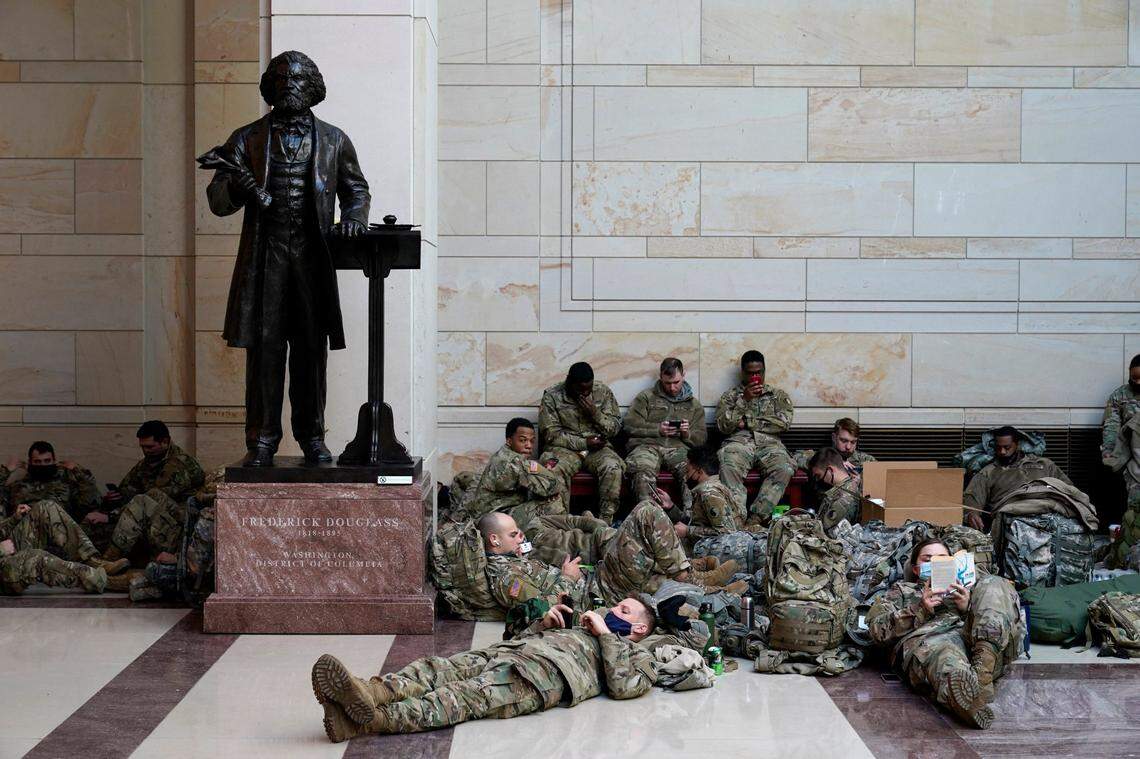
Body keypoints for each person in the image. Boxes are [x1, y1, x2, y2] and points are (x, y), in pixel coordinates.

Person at [204, 50, 370, 467]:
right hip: (266, 261)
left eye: (298, 79)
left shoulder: (334, 139)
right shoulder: (245, 139)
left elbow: (356, 190)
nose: (289, 86)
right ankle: (261, 440)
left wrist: (353, 217)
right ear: (269, 87)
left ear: (313, 86)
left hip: (313, 263)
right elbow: (218, 201)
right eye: (281, 79)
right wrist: (241, 186)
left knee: (311, 354)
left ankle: (313, 437)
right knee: (265, 353)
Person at [310, 596, 666, 742]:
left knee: (457, 698)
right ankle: (369, 692)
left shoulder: (639, 656)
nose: (611, 613)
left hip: (536, 679)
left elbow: (622, 686)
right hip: (505, 653)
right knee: (436, 668)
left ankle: (370, 720)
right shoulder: (582, 626)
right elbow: (523, 637)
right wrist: (544, 623)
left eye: (623, 612)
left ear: (640, 629)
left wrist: (605, 634)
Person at [867, 538, 1023, 729]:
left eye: (942, 558)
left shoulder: (972, 586)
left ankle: (980, 678)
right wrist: (920, 609)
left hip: (983, 649)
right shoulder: (902, 591)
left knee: (995, 582)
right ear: (915, 569)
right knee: (946, 657)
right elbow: (876, 631)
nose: (935, 563)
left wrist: (968, 607)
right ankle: (968, 699)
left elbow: (996, 612)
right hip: (934, 645)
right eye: (928, 559)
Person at [480, 507, 741, 615]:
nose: (520, 537)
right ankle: (690, 576)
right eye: (513, 534)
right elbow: (542, 608)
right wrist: (568, 577)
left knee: (645, 559)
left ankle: (710, 589)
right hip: (597, 593)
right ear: (494, 540)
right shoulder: (506, 578)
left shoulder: (513, 561)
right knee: (646, 514)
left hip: (597, 579)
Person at [100, 421, 205, 567]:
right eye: (142, 447)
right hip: (155, 523)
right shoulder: (149, 462)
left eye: (149, 447)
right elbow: (128, 489)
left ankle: (106, 563)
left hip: (179, 529)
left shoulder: (178, 464)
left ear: (165, 442)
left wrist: (109, 517)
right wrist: (113, 499)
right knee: (95, 520)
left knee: (147, 498)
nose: (145, 451)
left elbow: (151, 500)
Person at [715, 350, 795, 525]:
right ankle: (736, 520)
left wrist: (748, 421)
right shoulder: (731, 396)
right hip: (739, 443)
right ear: (743, 373)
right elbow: (723, 425)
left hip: (769, 445)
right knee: (728, 465)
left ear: (764, 371)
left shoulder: (777, 396)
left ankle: (756, 519)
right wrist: (744, 399)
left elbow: (783, 423)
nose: (755, 377)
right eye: (751, 373)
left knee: (785, 467)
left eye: (759, 372)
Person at [538, 362, 625, 523]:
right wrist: (584, 443)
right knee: (554, 469)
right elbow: (551, 434)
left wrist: (595, 414)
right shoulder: (552, 396)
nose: (585, 394)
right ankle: (561, 525)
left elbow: (614, 428)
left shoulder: (603, 392)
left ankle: (605, 522)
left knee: (612, 467)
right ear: (569, 382)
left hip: (598, 448)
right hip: (564, 449)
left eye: (588, 389)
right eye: (580, 390)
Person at [623, 358, 707, 512]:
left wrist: (686, 434)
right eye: (667, 383)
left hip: (678, 449)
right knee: (641, 471)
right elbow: (629, 425)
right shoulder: (646, 397)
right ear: (661, 376)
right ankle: (649, 519)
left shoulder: (694, 405)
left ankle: (691, 520)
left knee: (692, 472)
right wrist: (657, 429)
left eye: (676, 382)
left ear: (683, 375)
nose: (672, 388)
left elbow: (701, 439)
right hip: (647, 447)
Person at [0, 501, 128, 595]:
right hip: (3, 567)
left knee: (46, 508)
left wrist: (13, 519)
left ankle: (91, 560)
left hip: (7, 549)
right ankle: (104, 581)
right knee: (36, 558)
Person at [962, 426, 1074, 531]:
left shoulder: (1044, 465)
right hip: (1011, 520)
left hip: (1047, 515)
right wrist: (971, 513)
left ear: (1017, 444)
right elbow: (972, 497)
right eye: (998, 448)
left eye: (1007, 447)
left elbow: (1069, 490)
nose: (1002, 452)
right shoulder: (989, 471)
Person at [465, 418, 566, 523]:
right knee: (554, 501)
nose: (529, 446)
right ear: (509, 441)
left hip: (490, 513)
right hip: (494, 519)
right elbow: (552, 488)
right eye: (523, 440)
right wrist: (545, 471)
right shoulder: (514, 462)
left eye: (532, 441)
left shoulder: (503, 454)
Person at [0, 441, 100, 523]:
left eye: (47, 461)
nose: (43, 465)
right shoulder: (17, 487)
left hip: (59, 536)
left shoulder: (67, 485)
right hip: (25, 535)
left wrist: (79, 471)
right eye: (38, 462)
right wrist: (6, 471)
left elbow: (91, 502)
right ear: (30, 462)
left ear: (54, 461)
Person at [1103, 354, 1140, 567]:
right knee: (1134, 507)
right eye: (1133, 378)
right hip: (1133, 461)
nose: (1137, 383)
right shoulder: (1120, 396)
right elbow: (1111, 426)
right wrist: (1110, 454)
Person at [677, 446, 745, 546]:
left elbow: (727, 533)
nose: (685, 476)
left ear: (699, 472)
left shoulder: (709, 492)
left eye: (687, 471)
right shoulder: (708, 489)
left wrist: (688, 531)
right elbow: (696, 521)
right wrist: (671, 507)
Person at [807, 447, 864, 535]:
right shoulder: (845, 488)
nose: (819, 480)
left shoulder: (844, 498)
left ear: (830, 470)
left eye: (818, 476)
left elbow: (824, 530)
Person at [792, 418, 876, 471]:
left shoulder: (865, 460)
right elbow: (795, 457)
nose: (848, 447)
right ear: (833, 437)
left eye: (853, 442)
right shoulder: (821, 456)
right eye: (843, 441)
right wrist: (831, 461)